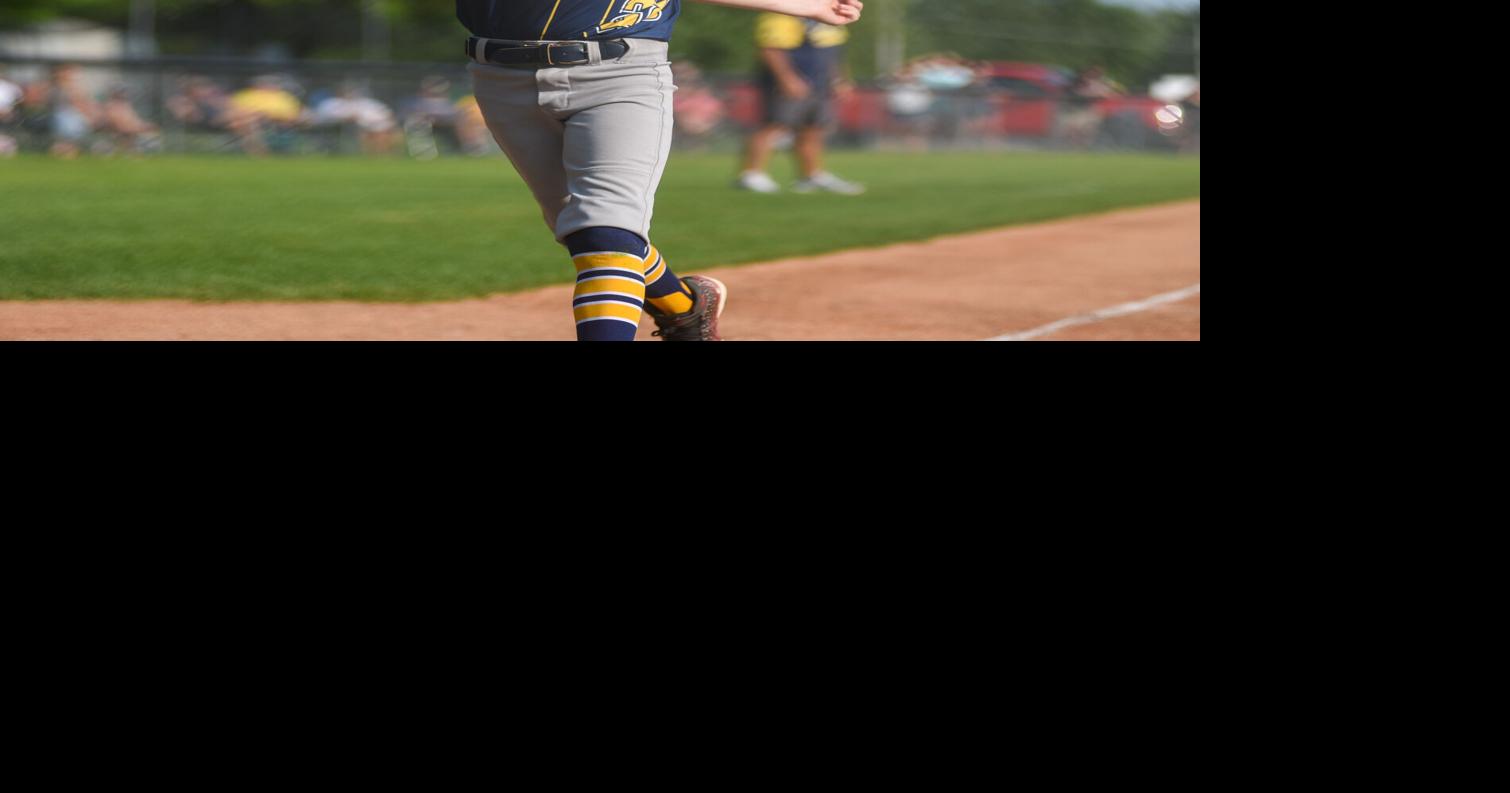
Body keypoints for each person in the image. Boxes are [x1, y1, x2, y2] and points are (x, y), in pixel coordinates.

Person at [458, 0, 864, 342]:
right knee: (580, 229)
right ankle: (685, 310)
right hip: (499, 76)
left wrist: (802, 4)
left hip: (619, 71)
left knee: (604, 231)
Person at [736, 9, 864, 195]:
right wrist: (787, 79)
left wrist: (840, 79)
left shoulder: (828, 12)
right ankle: (752, 174)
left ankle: (811, 175)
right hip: (790, 82)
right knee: (774, 126)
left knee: (813, 129)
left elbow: (833, 53)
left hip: (820, 84)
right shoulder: (783, 10)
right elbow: (770, 48)